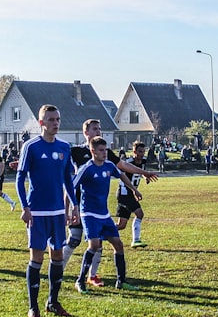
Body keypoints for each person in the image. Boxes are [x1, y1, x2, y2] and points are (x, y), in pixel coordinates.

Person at [63, 119, 158, 288]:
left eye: (100, 128)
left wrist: (143, 174)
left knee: (101, 243)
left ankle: (93, 276)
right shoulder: (76, 152)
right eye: (95, 129)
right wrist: (68, 209)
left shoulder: (106, 155)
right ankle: (59, 270)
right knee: (75, 239)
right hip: (80, 204)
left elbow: (122, 168)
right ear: (86, 132)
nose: (98, 131)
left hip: (101, 209)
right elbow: (54, 163)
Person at [14, 104, 78, 317]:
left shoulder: (64, 147)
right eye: (51, 120)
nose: (55, 123)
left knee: (57, 256)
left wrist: (74, 205)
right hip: (37, 213)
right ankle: (33, 307)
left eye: (57, 119)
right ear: (41, 123)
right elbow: (20, 178)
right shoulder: (31, 147)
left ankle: (53, 301)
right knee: (37, 258)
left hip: (58, 212)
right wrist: (25, 207)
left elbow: (67, 179)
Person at [73, 137, 141, 292]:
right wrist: (72, 208)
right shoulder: (87, 168)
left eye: (106, 150)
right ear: (93, 151)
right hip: (89, 214)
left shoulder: (109, 165)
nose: (105, 153)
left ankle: (121, 281)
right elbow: (71, 187)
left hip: (104, 214)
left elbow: (121, 174)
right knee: (94, 245)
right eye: (101, 151)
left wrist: (133, 189)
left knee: (118, 244)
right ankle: (80, 280)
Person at [116, 141, 151, 248]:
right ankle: (136, 240)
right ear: (134, 152)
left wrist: (145, 177)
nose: (142, 154)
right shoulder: (128, 162)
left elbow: (140, 171)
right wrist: (134, 190)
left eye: (143, 151)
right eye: (140, 152)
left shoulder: (143, 161)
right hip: (125, 193)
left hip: (129, 193)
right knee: (139, 214)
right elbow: (123, 177)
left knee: (121, 225)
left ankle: (101, 231)